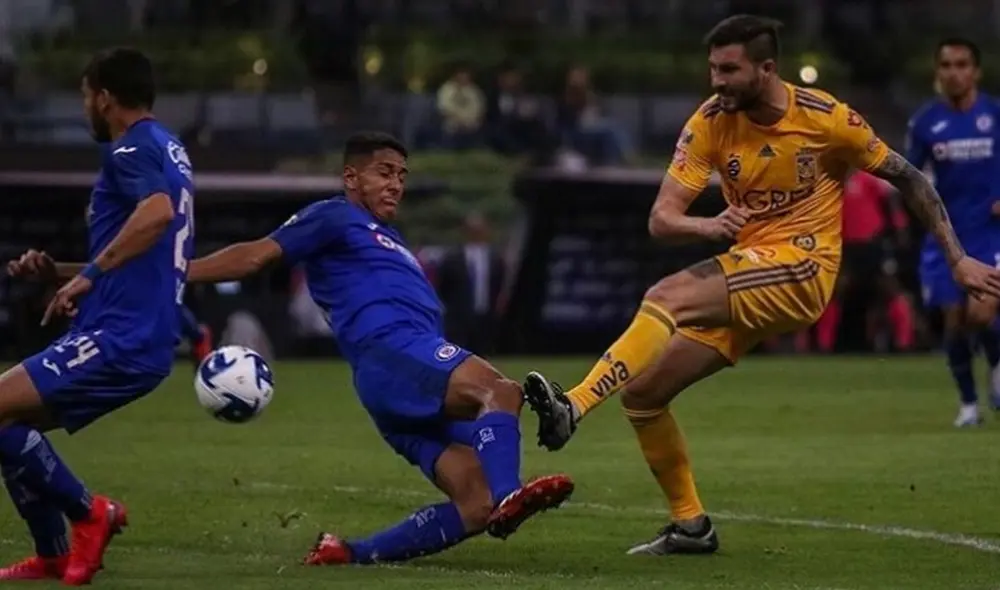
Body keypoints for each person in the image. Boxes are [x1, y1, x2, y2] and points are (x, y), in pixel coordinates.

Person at [522, 15, 1000, 557]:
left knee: (664, 296)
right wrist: (707, 224)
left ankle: (574, 406)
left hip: (804, 266)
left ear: (767, 69)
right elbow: (661, 219)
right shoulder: (709, 121)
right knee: (644, 395)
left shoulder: (826, 118)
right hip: (749, 267)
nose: (717, 82)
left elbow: (910, 177)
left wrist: (958, 260)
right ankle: (692, 526)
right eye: (712, 69)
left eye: (729, 70)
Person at [184, 131, 573, 566]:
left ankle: (348, 554)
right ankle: (511, 496)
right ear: (351, 177)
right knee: (499, 391)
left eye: (402, 176)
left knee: (474, 503)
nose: (396, 184)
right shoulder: (334, 216)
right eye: (384, 172)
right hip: (394, 353)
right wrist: (177, 273)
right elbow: (256, 255)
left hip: (396, 378)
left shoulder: (387, 237)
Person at [1, 47, 195, 584]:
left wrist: (86, 277)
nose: (86, 105)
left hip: (122, 334)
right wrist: (58, 271)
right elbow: (145, 243)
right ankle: (54, 554)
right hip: (138, 334)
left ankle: (90, 513)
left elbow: (155, 215)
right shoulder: (168, 146)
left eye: (86, 96)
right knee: (8, 424)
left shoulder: (128, 147)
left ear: (105, 97)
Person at [905, 37, 1000, 427]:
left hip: (990, 232)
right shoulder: (925, 123)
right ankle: (968, 405)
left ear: (975, 71)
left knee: (980, 313)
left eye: (961, 64)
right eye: (946, 65)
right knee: (954, 321)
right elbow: (908, 179)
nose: (953, 72)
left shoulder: (995, 115)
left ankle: (996, 368)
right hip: (945, 237)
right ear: (937, 73)